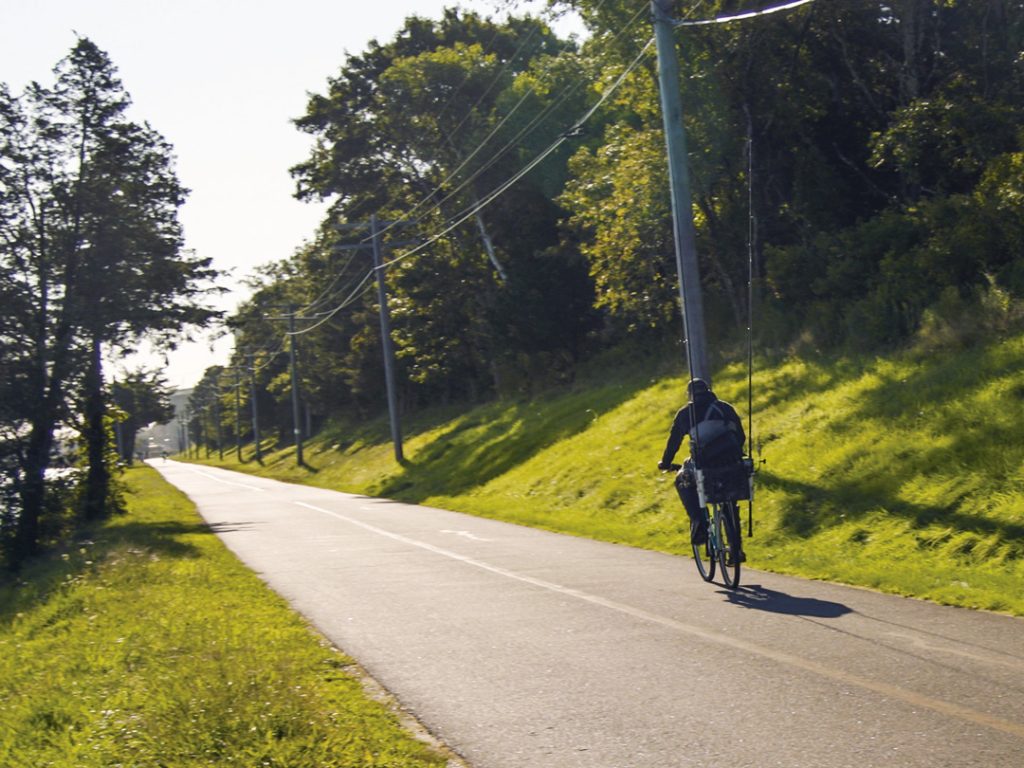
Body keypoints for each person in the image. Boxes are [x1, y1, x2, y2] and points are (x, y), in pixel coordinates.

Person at [657, 378, 746, 545]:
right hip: (732, 461)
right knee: (729, 500)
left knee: (682, 480)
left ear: (690, 395)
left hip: (704, 464)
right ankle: (737, 548)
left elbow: (674, 442)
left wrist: (666, 462)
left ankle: (698, 521)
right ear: (708, 390)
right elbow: (740, 436)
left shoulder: (686, 414)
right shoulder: (725, 408)